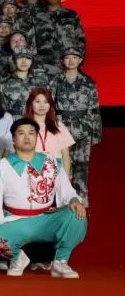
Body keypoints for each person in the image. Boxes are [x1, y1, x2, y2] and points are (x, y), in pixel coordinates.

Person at [0, 118, 87, 278]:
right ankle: (18, 258)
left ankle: (60, 262)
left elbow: (67, 191)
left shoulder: (51, 161)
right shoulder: (2, 166)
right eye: (21, 133)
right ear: (13, 139)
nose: (27, 137)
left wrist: (74, 200)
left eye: (31, 133)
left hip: (46, 219)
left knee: (77, 214)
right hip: (16, 221)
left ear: (36, 137)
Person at [50, 47, 100, 204]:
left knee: (82, 165)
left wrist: (96, 133)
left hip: (83, 129)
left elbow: (94, 109)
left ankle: (81, 200)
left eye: (74, 57)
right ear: (62, 61)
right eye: (67, 57)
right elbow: (50, 106)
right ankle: (63, 199)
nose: (71, 60)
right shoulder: (55, 81)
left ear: (80, 60)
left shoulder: (89, 82)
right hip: (61, 128)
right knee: (61, 164)